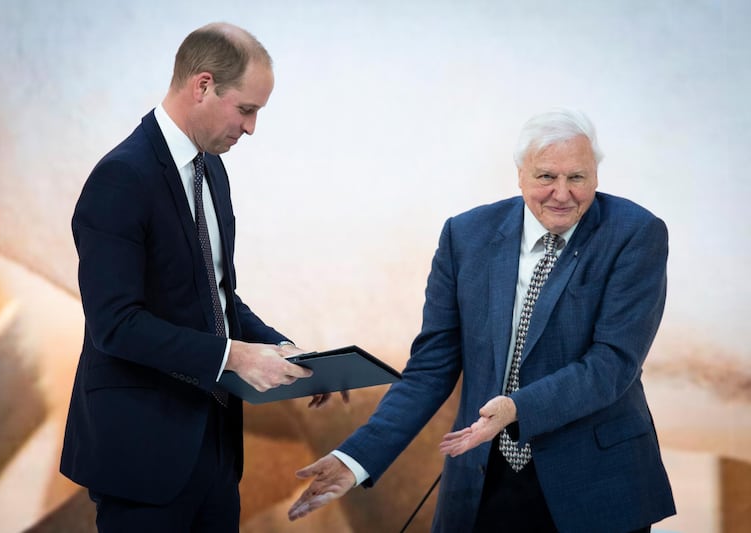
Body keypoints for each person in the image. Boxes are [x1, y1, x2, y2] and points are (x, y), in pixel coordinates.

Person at [288, 109, 676, 532]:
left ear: (596, 176)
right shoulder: (465, 236)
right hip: (483, 478)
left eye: (577, 178)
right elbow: (429, 370)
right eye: (546, 177)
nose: (562, 194)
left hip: (595, 482)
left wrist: (516, 408)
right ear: (520, 174)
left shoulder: (635, 234)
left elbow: (612, 365)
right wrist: (356, 458)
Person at [60, 22, 341, 532]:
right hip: (141, 457)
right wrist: (236, 356)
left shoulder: (212, 169)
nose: (252, 128)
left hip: (213, 449)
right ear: (203, 86)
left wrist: (283, 350)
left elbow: (216, 297)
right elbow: (116, 324)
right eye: (247, 109)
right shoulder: (121, 177)